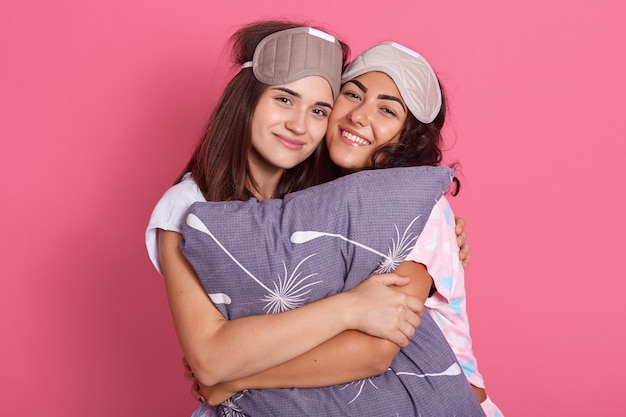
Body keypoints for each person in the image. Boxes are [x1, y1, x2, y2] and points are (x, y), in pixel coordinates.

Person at [147, 21, 475, 417]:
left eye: (318, 109)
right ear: (246, 98)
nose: (299, 125)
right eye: (284, 100)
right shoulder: (186, 206)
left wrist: (237, 375)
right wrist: (351, 308)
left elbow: (375, 349)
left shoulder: (336, 196)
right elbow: (211, 359)